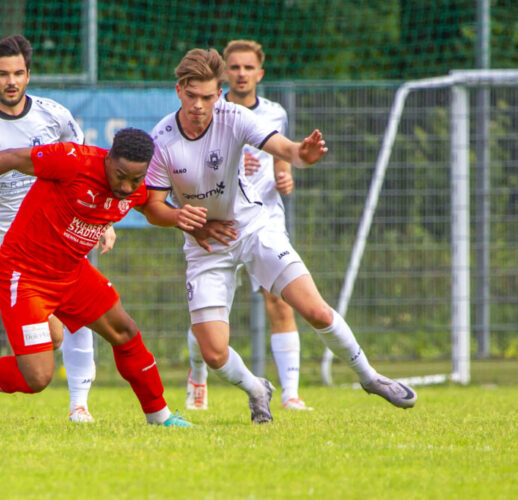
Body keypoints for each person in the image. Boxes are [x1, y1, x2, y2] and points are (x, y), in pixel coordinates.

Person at [142, 48, 417, 424]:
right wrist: (181, 219)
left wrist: (302, 155)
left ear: (219, 94)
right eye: (192, 96)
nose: (199, 106)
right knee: (214, 353)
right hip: (206, 247)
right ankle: (257, 388)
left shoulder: (234, 117)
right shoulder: (162, 139)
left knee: (315, 309)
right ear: (178, 91)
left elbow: (284, 149)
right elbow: (152, 206)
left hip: (253, 228)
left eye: (208, 97)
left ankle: (370, 378)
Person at [0, 128, 193, 428]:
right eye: (121, 175)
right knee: (37, 377)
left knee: (124, 331)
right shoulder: (73, 161)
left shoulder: (134, 189)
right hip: (25, 275)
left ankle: (160, 416)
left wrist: (184, 220)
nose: (127, 186)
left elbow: (151, 208)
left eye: (136, 180)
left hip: (71, 272)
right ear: (109, 157)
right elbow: (11, 157)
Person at [0, 35, 103, 423]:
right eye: (2, 74)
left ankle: (79, 406)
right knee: (52, 340)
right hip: (11, 244)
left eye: (18, 73)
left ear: (29, 75)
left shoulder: (54, 116)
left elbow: (86, 171)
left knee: (78, 315)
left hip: (61, 233)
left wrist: (102, 224)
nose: (11, 82)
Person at [185, 40, 311, 412]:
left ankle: (290, 393)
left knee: (281, 301)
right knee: (211, 315)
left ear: (260, 73)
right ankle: (198, 376)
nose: (241, 73)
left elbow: (282, 157)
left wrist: (285, 177)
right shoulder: (208, 112)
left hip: (264, 220)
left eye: (247, 67)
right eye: (234, 67)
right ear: (224, 74)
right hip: (219, 223)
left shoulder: (274, 113)